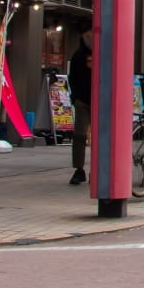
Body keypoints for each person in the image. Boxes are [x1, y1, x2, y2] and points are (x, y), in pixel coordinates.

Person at [67, 24, 93, 186]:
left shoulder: (104, 53)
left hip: (101, 100)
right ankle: (79, 169)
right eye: (88, 35)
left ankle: (98, 169)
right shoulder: (78, 55)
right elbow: (72, 77)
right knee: (79, 135)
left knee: (102, 137)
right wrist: (75, 97)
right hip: (82, 100)